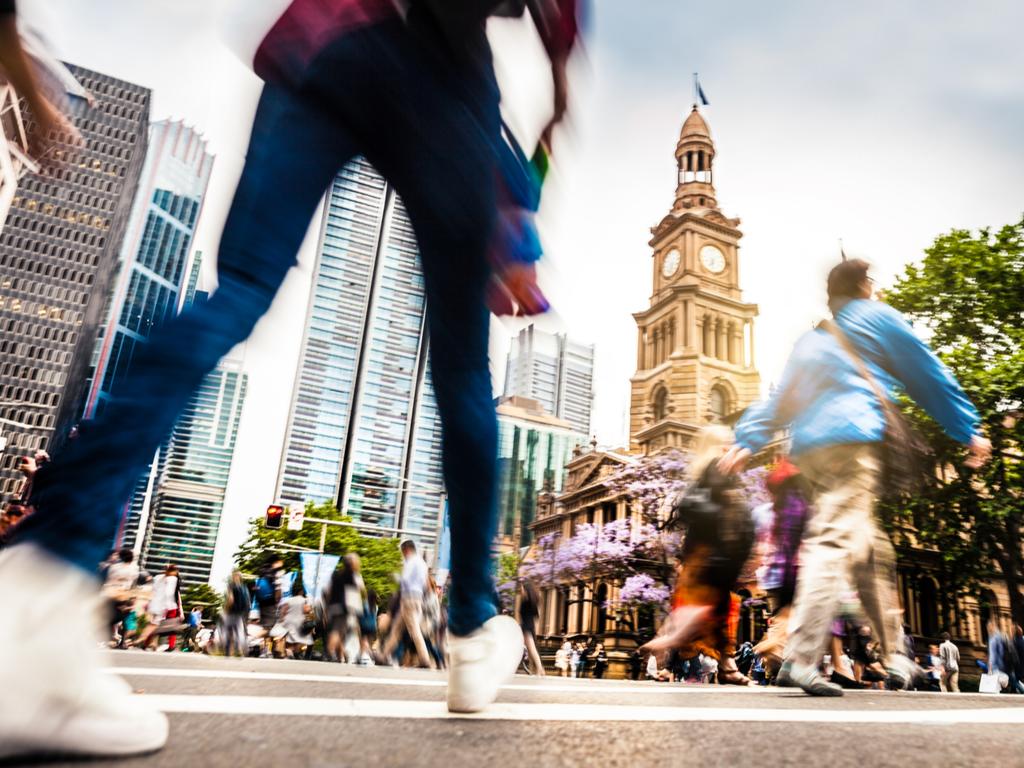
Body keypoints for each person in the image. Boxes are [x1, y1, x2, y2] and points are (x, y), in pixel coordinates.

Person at [2, 0, 582, 750]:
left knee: (237, 292)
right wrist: (552, 117)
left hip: (328, 46)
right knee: (464, 372)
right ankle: (472, 628)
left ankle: (42, 579)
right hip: (443, 75)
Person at [720, 258, 992, 697]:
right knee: (833, 542)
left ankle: (897, 658)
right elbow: (927, 373)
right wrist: (967, 428)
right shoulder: (878, 318)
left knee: (870, 552)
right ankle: (801, 656)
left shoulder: (812, 340)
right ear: (865, 286)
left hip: (811, 454)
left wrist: (749, 438)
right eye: (874, 283)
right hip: (852, 444)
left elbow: (784, 398)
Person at [642, 426, 756, 686]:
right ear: (715, 445)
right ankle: (671, 638)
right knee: (711, 609)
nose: (731, 447)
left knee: (719, 610)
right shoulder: (718, 467)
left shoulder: (704, 472)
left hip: (703, 554)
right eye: (725, 443)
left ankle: (726, 667)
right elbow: (727, 514)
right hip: (712, 554)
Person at [382, 541, 436, 669]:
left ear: (406, 550)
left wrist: (395, 577)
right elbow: (425, 584)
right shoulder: (423, 563)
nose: (403, 555)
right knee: (397, 628)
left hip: (408, 597)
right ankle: (384, 655)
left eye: (402, 552)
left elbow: (405, 579)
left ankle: (424, 659)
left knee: (414, 629)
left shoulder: (411, 561)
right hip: (418, 598)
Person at [139, 564, 183, 652]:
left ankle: (147, 644)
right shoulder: (173, 579)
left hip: (164, 606)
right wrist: (180, 609)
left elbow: (175, 594)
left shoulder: (159, 578)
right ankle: (168, 645)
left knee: (156, 625)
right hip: (169, 606)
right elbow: (176, 595)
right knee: (170, 626)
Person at [270, 582, 315, 658]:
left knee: (290, 639)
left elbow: (283, 612)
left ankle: (289, 651)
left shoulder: (289, 600)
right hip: (299, 622)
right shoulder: (304, 600)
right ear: (301, 591)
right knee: (300, 639)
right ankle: (296, 653)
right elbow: (307, 611)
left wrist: (281, 621)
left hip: (288, 622)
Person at [518, 580, 545, 676]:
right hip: (530, 626)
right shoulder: (532, 602)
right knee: (530, 650)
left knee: (532, 649)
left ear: (525, 589)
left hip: (526, 627)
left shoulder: (525, 601)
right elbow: (536, 616)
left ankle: (540, 669)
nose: (520, 590)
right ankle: (534, 669)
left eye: (522, 588)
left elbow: (522, 614)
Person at [223, 570, 251, 658]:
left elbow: (230, 599)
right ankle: (240, 651)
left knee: (230, 631)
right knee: (239, 631)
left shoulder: (231, 586)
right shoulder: (244, 587)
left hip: (233, 611)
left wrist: (226, 610)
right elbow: (248, 602)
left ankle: (229, 652)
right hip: (243, 612)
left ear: (233, 577)